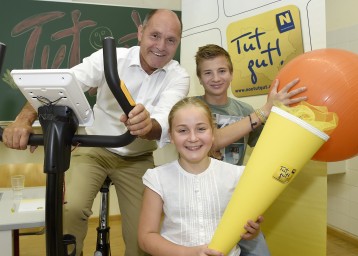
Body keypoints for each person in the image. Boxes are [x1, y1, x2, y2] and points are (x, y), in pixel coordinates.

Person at [2, 9, 189, 256]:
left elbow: (165, 118)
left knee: (144, 235)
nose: (161, 46)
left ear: (178, 43)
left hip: (137, 157)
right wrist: (24, 119)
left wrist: (148, 125)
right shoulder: (111, 58)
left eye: (171, 40)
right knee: (70, 209)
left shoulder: (178, 76)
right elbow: (61, 84)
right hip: (94, 149)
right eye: (155, 35)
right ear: (141, 33)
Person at [193, 44, 307, 255]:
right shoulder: (191, 107)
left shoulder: (244, 111)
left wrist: (286, 116)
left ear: (231, 74)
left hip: (236, 197)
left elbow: (267, 147)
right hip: (201, 195)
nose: (216, 78)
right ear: (199, 78)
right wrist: (264, 111)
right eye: (208, 72)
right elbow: (213, 141)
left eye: (222, 71)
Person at [138, 97, 264, 256]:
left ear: (213, 132)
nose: (193, 138)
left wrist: (251, 231)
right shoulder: (157, 178)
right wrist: (190, 253)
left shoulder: (236, 175)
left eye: (201, 129)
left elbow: (247, 230)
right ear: (171, 136)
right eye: (183, 130)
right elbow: (146, 237)